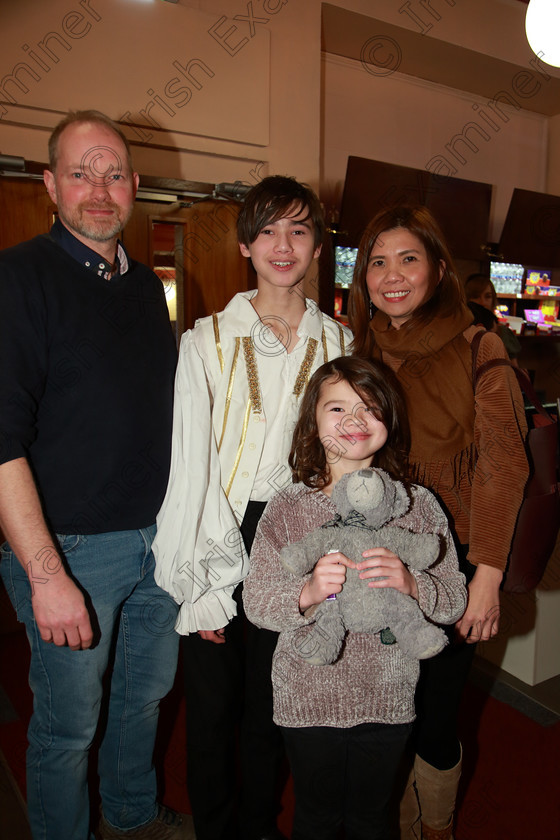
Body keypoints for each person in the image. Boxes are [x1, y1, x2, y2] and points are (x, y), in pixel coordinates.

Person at [0, 111, 191, 840]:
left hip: (156, 547)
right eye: (81, 172)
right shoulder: (17, 279)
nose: (99, 189)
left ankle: (133, 814)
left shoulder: (147, 289)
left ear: (136, 186)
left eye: (114, 173)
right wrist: (47, 576)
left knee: (142, 701)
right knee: (67, 729)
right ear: (50, 184)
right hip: (72, 552)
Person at [153, 176, 352, 840]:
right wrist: (200, 583)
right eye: (267, 230)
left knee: (275, 703)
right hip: (222, 528)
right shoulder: (204, 341)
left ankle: (260, 826)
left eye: (299, 229)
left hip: (298, 536)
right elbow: (190, 467)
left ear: (318, 245)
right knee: (212, 706)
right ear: (245, 245)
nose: (283, 244)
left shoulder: (341, 345)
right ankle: (216, 826)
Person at [347, 205, 529, 840]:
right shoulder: (359, 350)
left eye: (409, 259)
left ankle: (438, 827)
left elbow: (506, 467)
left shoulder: (479, 345)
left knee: (436, 714)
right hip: (370, 563)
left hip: (449, 568)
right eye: (378, 261)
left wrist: (487, 577)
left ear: (440, 269)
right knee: (383, 710)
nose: (392, 276)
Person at [242, 356, 467, 840]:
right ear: (312, 422)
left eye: (369, 408)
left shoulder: (417, 505)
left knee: (372, 817)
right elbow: (256, 600)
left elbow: (452, 601)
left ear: (389, 419)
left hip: (387, 697)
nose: (354, 421)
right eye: (337, 408)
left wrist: (413, 583)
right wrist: (306, 592)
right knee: (317, 818)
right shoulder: (289, 505)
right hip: (308, 698)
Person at [464, 273, 522, 363]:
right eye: (476, 297)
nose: (482, 302)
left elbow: (513, 370)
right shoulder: (460, 332)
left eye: (488, 296)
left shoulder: (504, 332)